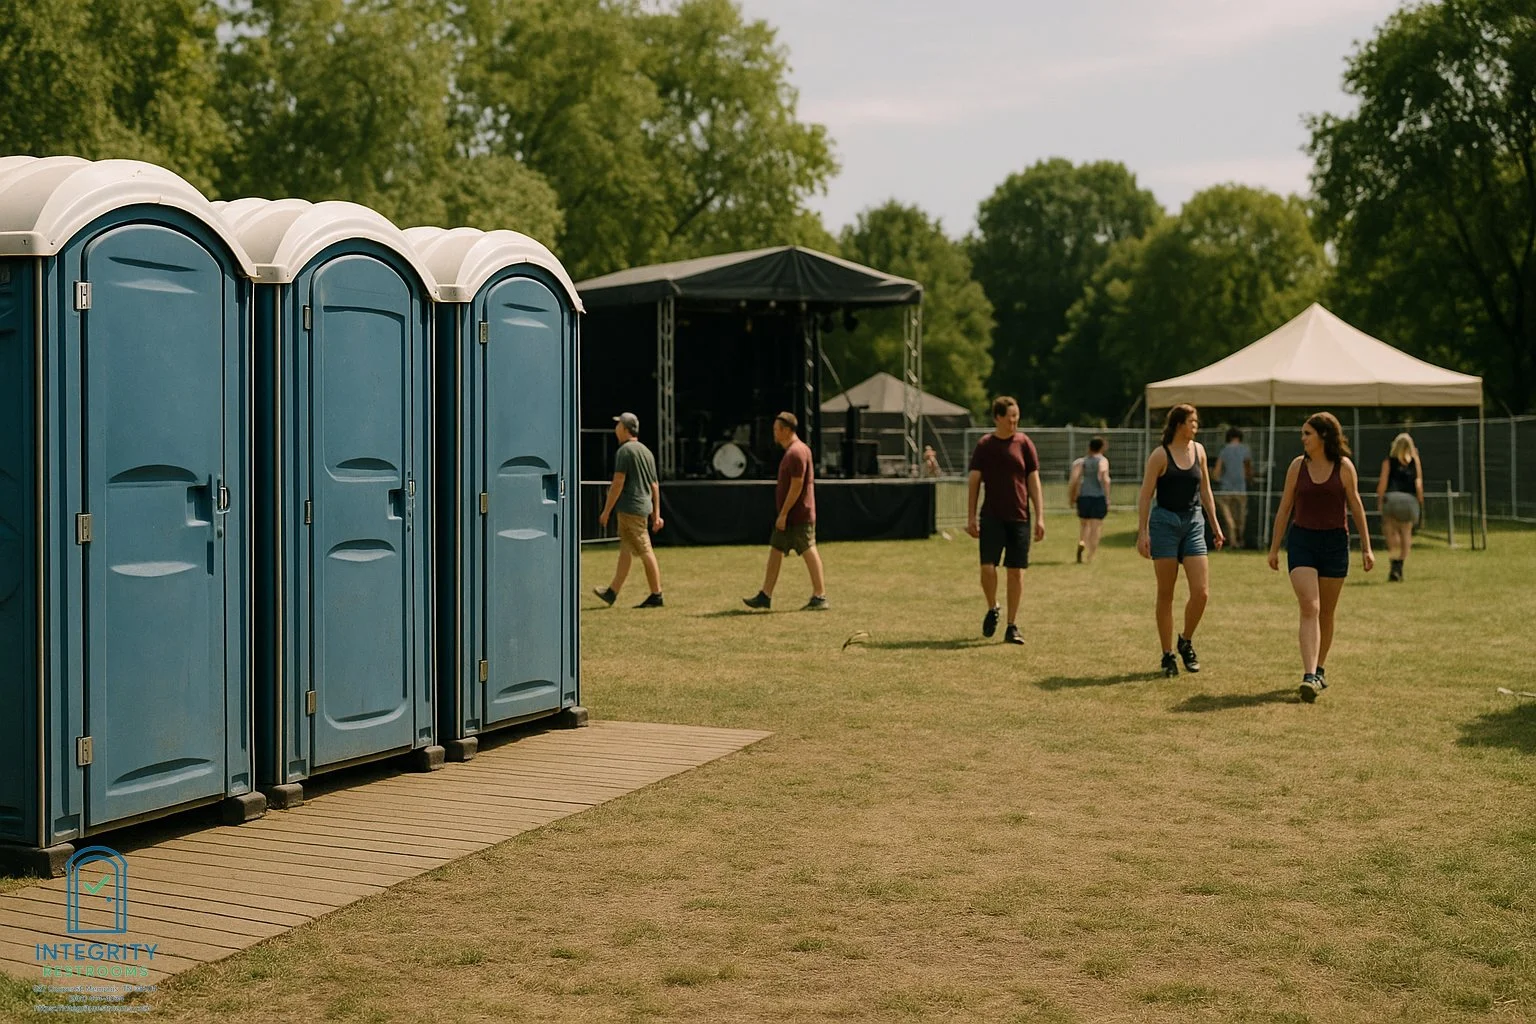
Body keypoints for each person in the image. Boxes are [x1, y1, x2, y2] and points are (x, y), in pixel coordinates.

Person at [1267, 412, 1375, 702]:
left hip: (1335, 543)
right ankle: (1308, 674)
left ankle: (1320, 669)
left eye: (1307, 433)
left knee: (1326, 612)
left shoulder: (1343, 467)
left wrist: (1366, 547)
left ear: (1323, 436)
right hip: (1302, 541)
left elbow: (1356, 506)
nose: (1302, 439)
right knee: (1310, 607)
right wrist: (1275, 547)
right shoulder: (1297, 467)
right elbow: (1285, 506)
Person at [1136, 404, 1224, 677]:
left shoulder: (1198, 451)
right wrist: (1143, 532)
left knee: (1202, 592)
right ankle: (1167, 655)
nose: (1196, 425)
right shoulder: (1160, 455)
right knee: (1166, 592)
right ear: (1178, 425)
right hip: (1165, 524)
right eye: (1192, 421)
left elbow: (1206, 491)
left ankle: (1185, 640)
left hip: (1194, 523)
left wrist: (1215, 525)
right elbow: (1145, 495)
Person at [965, 396, 1045, 645]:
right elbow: (974, 481)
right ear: (998, 417)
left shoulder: (1024, 443)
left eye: (1016, 417)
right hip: (991, 516)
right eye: (1010, 417)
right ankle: (993, 607)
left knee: (1015, 573)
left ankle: (1012, 625)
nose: (1014, 422)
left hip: (1019, 517)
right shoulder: (985, 445)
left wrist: (1040, 516)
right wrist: (970, 517)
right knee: (987, 568)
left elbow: (1033, 480)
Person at [743, 412, 827, 610]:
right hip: (791, 515)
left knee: (808, 548)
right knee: (776, 549)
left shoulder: (796, 453)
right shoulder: (797, 451)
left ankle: (820, 596)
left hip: (797, 515)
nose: (774, 433)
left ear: (787, 430)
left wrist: (784, 513)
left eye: (776, 429)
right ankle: (765, 594)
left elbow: (797, 486)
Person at [593, 412, 664, 608]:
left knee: (644, 549)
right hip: (641, 507)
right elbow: (655, 485)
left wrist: (606, 510)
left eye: (618, 425)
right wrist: (656, 514)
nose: (616, 429)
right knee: (626, 548)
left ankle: (656, 594)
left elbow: (618, 483)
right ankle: (612, 591)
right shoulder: (646, 451)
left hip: (630, 508)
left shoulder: (624, 451)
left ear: (625, 429)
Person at [1376, 432, 1423, 582]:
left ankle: (1394, 560)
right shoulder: (1415, 462)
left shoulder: (1388, 461)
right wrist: (1420, 502)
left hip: (1392, 499)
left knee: (1390, 530)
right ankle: (1400, 564)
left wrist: (1380, 501)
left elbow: (1382, 484)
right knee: (1406, 532)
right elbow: (1418, 483)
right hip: (1409, 501)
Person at [1067, 436, 1110, 563]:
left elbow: (1074, 480)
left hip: (1084, 497)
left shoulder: (1081, 462)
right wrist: (1107, 497)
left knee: (1084, 524)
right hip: (1098, 497)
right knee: (1095, 527)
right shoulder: (1102, 461)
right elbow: (1105, 477)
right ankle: (1090, 556)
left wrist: (1072, 496)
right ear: (1102, 447)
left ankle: (1082, 542)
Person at [1214, 427, 1254, 549]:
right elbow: (1248, 469)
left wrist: (1217, 478)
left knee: (1229, 518)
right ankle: (1240, 540)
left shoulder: (1224, 450)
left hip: (1226, 489)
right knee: (1240, 517)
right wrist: (1250, 480)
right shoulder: (1245, 450)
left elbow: (1216, 472)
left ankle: (1233, 542)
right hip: (1241, 489)